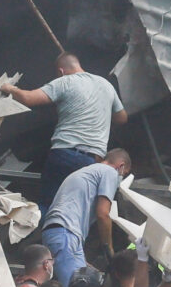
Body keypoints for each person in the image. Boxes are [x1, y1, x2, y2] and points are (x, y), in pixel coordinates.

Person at [9, 53, 125, 209]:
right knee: (76, 211)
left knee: (48, 206)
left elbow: (28, 98)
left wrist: (9, 88)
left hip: (64, 155)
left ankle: (42, 229)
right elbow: (122, 118)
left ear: (61, 71)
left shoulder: (64, 82)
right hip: (92, 161)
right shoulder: (106, 85)